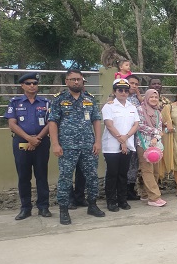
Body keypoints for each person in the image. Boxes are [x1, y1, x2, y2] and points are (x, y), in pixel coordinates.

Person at [48, 69, 105, 225]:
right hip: (67, 147)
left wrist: (97, 141)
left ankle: (92, 205)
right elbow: (52, 122)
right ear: (66, 81)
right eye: (72, 79)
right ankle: (64, 210)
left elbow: (96, 121)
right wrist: (55, 144)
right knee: (65, 179)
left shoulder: (90, 99)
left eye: (79, 79)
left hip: (88, 146)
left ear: (82, 81)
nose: (76, 82)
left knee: (92, 177)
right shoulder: (59, 99)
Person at [5, 72, 51, 220]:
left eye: (35, 83)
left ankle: (43, 207)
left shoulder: (45, 102)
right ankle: (25, 208)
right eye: (29, 83)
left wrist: (37, 139)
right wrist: (28, 139)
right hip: (21, 142)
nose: (32, 86)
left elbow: (51, 123)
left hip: (42, 142)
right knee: (24, 176)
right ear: (22, 85)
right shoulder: (15, 102)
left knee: (42, 176)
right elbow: (12, 123)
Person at [101, 79, 139, 212]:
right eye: (120, 90)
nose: (123, 93)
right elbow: (109, 125)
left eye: (126, 90)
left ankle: (122, 200)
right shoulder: (109, 106)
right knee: (112, 174)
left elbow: (136, 124)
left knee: (123, 174)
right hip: (111, 146)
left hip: (127, 144)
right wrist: (122, 140)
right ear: (114, 91)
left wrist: (126, 138)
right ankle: (111, 201)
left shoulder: (132, 106)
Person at [136, 88, 166, 207]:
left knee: (156, 171)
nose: (154, 99)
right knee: (147, 170)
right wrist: (155, 132)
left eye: (156, 97)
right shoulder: (140, 110)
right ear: (146, 98)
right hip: (143, 143)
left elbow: (160, 129)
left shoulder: (158, 112)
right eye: (151, 97)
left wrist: (156, 137)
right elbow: (139, 125)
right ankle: (154, 197)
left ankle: (145, 194)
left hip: (155, 145)